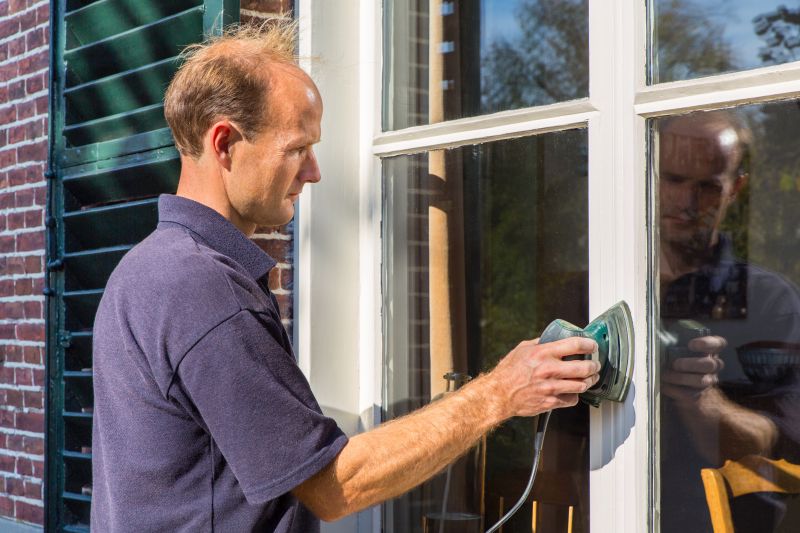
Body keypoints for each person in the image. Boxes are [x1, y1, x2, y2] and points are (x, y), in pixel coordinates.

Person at [89, 22, 602, 532]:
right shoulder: (203, 290)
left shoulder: (146, 268)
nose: (314, 171)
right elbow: (334, 487)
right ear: (224, 144)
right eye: (297, 148)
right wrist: (499, 393)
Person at [658, 111, 800, 533]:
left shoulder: (770, 303)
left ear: (735, 188)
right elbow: (562, 448)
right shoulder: (604, 292)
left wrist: (703, 401)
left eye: (706, 186)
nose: (685, 201)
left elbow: (784, 442)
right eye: (672, 178)